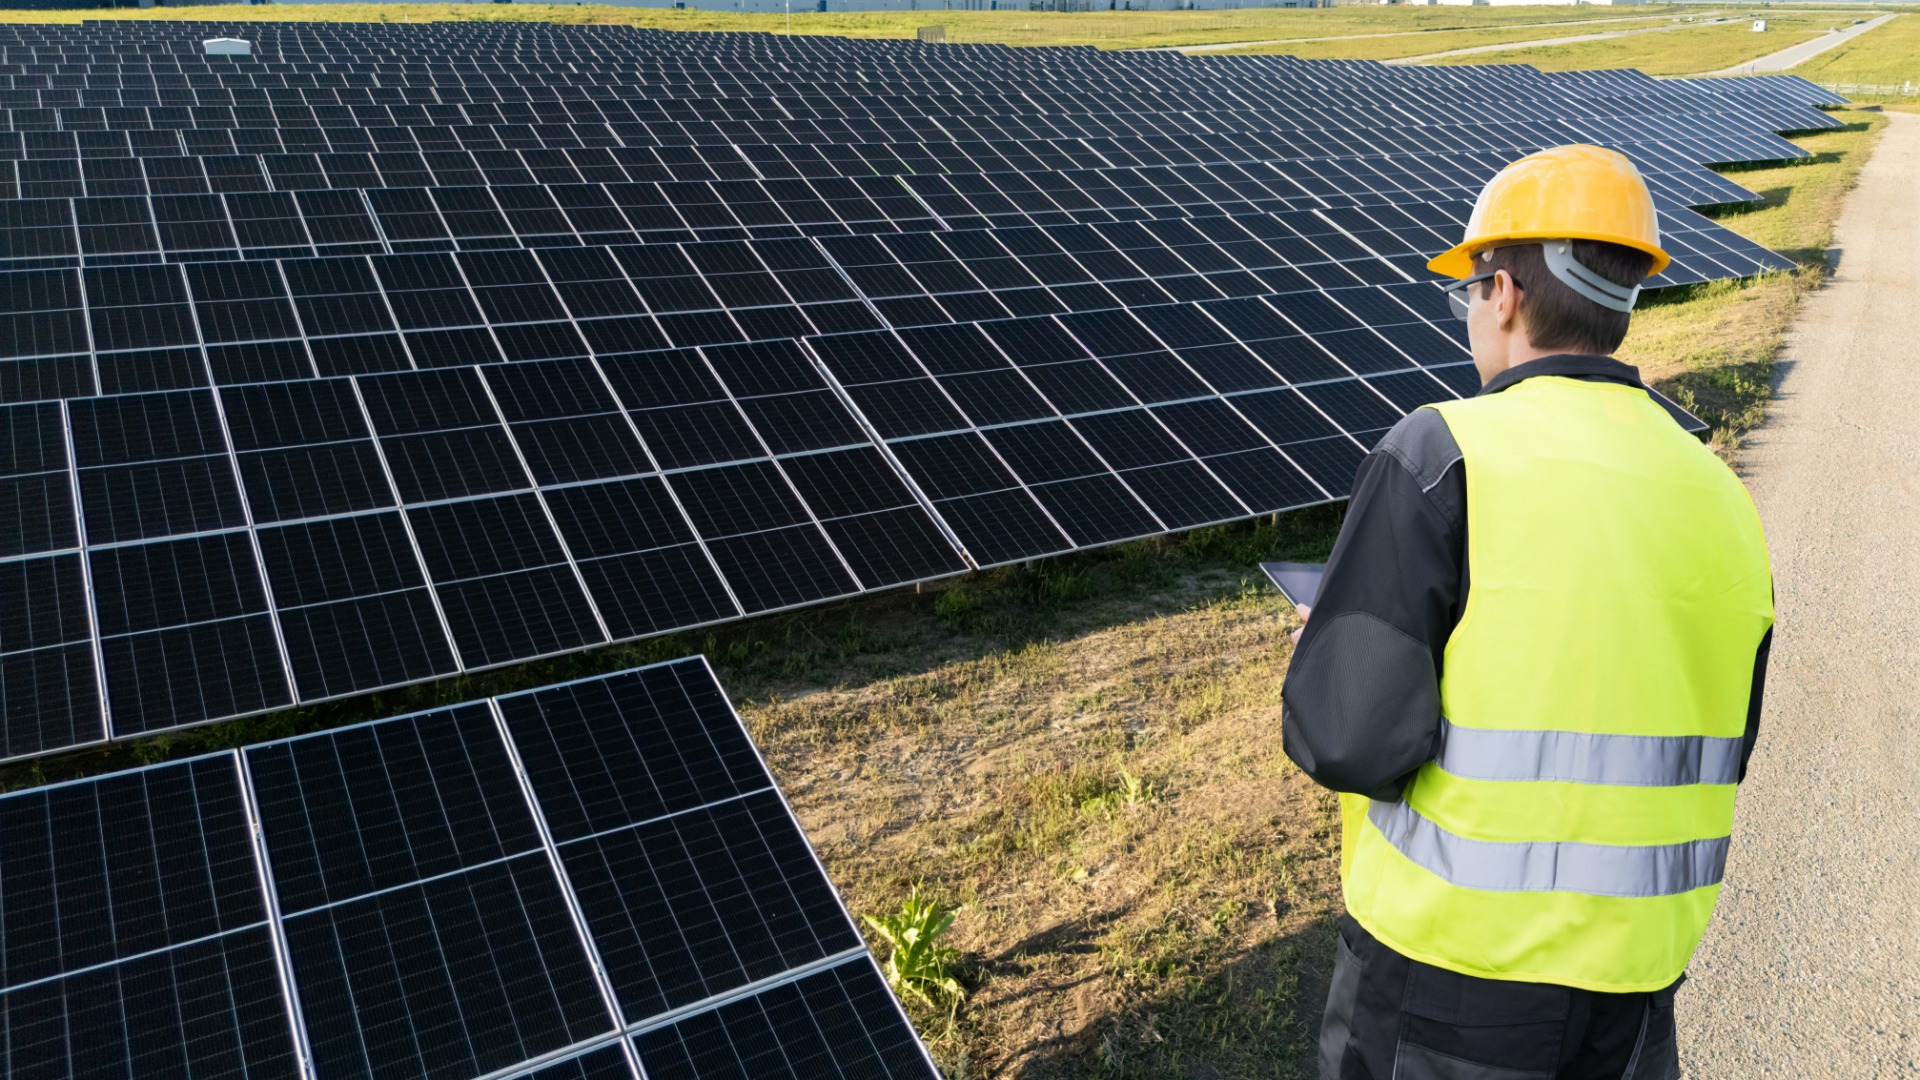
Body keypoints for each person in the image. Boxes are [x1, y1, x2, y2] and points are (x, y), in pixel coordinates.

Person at [1282, 145, 1774, 1080]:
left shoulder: (1442, 454)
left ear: (1501, 293)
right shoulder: (1719, 492)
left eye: (1469, 291)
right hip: (1634, 995)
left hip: (1447, 983)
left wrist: (1335, 650)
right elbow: (1722, 737)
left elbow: (1346, 738)